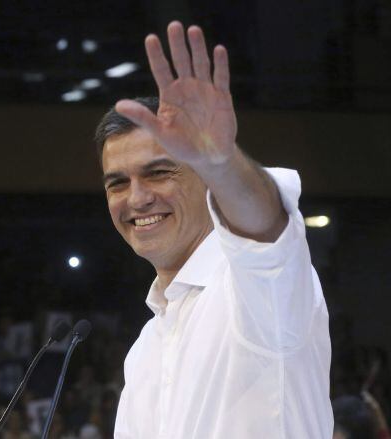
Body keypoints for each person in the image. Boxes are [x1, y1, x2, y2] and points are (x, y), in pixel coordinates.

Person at [95, 21, 333, 437]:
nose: (137, 198)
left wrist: (220, 163)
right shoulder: (145, 349)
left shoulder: (253, 291)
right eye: (118, 182)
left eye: (159, 172)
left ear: (205, 181)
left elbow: (265, 233)